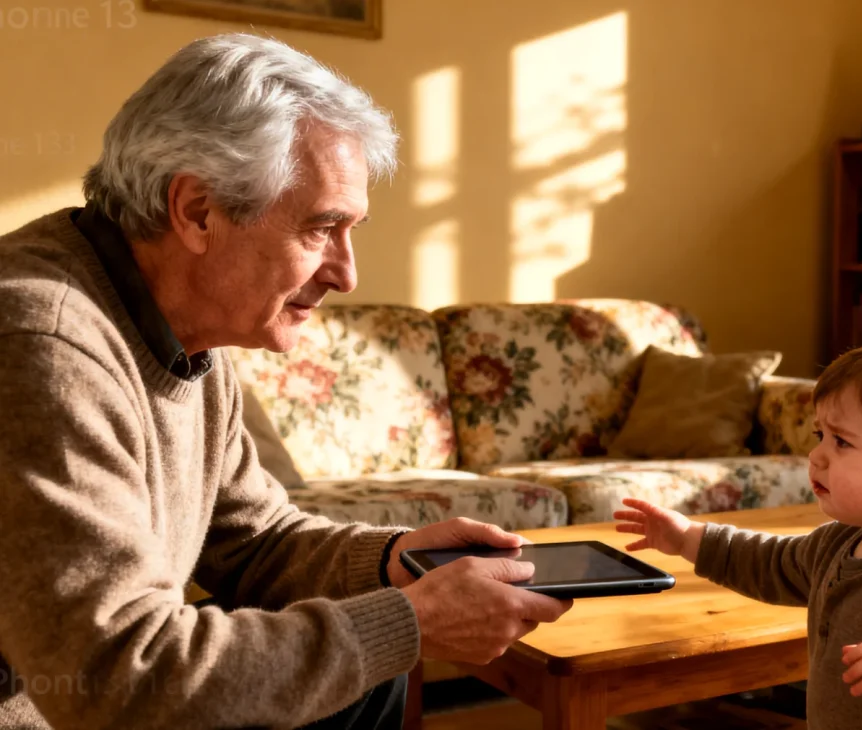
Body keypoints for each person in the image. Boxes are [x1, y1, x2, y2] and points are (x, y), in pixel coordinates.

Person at [0, 34, 572, 730]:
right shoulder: (44, 344)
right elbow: (116, 678)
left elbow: (256, 539)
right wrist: (409, 623)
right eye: (322, 227)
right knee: (370, 651)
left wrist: (394, 562)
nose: (346, 273)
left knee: (361, 670)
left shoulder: (179, 329)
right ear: (197, 211)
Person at [615, 338, 862, 729]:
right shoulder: (840, 541)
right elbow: (768, 562)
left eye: (841, 441)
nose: (816, 455)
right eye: (820, 436)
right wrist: (688, 538)